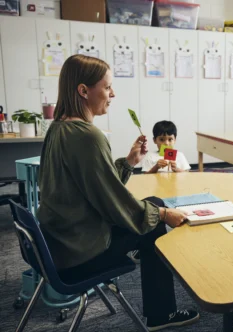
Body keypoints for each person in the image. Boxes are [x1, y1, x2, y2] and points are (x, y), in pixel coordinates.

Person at [37, 54, 199, 331]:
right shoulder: (88, 135)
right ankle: (162, 314)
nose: (113, 93)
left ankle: (159, 299)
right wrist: (162, 214)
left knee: (152, 208)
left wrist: (129, 163)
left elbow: (93, 184)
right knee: (155, 217)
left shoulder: (58, 127)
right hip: (80, 253)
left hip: (58, 244)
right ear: (84, 90)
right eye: (108, 86)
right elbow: (112, 201)